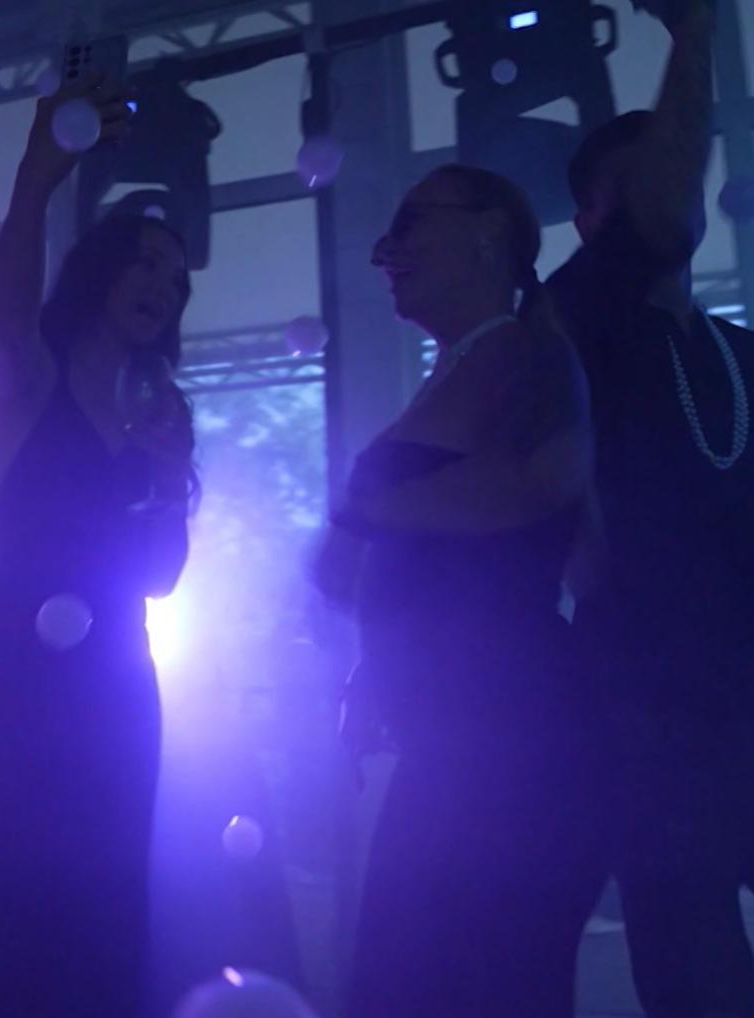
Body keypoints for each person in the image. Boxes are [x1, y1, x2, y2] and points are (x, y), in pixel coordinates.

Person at [0, 72, 198, 1018]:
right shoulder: (35, 376)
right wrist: (37, 172)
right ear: (100, 270)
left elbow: (159, 577)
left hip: (114, 677)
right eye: (146, 263)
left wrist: (168, 474)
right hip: (3, 668)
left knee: (106, 906)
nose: (161, 287)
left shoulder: (161, 410)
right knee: (9, 902)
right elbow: (8, 298)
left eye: (176, 281)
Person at [337, 164, 604, 1018]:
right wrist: (376, 670)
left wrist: (374, 511)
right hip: (467, 746)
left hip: (510, 748)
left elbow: (549, 481)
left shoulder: (528, 354)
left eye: (410, 224)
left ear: (490, 231)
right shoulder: (471, 365)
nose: (384, 251)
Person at [548, 1, 754, 1012]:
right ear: (592, 221)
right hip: (647, 708)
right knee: (693, 969)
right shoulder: (569, 317)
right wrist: (694, 35)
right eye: (644, 179)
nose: (677, 186)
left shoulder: (738, 352)